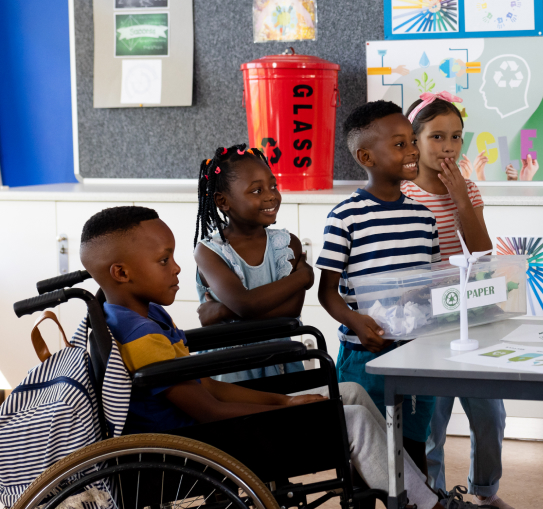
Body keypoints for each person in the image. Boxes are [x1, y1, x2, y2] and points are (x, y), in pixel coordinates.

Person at [79, 206, 448, 509]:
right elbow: (208, 409)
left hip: (208, 429)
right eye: (164, 260)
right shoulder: (141, 336)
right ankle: (427, 505)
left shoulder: (141, 315)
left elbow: (206, 386)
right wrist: (283, 408)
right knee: (352, 420)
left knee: (347, 390)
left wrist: (282, 400)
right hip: (199, 445)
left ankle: (410, 494)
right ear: (121, 273)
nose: (176, 267)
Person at [315, 101, 442, 478]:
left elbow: (431, 281)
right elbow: (327, 291)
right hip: (364, 355)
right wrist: (354, 321)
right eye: (400, 144)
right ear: (366, 156)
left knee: (413, 449)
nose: (413, 151)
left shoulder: (423, 217)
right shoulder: (345, 216)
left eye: (411, 142)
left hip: (418, 355)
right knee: (365, 457)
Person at [401, 93, 512, 509]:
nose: (448, 147)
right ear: (414, 140)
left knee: (489, 412)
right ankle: (439, 498)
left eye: (457, 137)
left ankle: (485, 491)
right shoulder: (404, 193)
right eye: (437, 137)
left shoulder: (465, 186)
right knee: (433, 422)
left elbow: (481, 251)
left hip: (470, 311)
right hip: (428, 319)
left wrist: (460, 195)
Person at [192, 144, 311, 382]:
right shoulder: (209, 251)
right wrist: (303, 277)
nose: (271, 195)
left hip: (279, 360)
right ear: (223, 201)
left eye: (273, 186)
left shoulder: (286, 244)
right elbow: (246, 305)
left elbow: (291, 312)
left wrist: (223, 312)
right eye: (256, 190)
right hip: (230, 366)